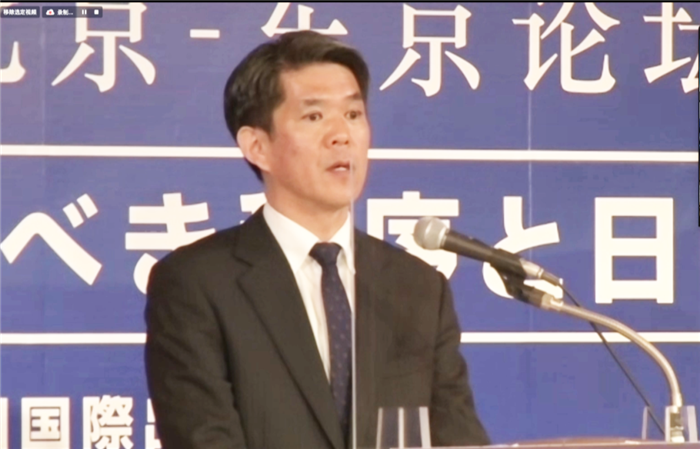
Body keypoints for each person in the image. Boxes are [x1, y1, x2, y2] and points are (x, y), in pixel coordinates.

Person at [144, 30, 490, 449]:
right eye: (314, 117)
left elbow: (459, 438)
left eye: (353, 114)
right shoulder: (196, 284)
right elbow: (202, 439)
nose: (342, 135)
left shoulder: (417, 288)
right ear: (257, 146)